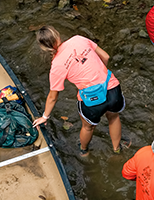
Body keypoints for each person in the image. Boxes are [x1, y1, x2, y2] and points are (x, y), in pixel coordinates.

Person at [32, 25, 127, 156]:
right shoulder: (78, 39)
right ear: (57, 35)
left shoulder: (56, 66)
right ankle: (117, 149)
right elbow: (106, 56)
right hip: (112, 89)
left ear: (44, 48)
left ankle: (84, 151)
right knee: (114, 117)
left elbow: (53, 96)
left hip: (91, 100)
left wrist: (44, 117)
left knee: (88, 127)